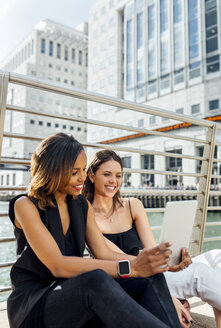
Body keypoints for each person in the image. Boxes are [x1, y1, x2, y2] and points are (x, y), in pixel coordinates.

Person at [7, 133, 182, 328]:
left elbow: (104, 253)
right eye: (74, 172)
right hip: (33, 305)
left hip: (74, 296)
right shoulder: (25, 205)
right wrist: (131, 268)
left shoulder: (81, 205)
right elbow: (58, 265)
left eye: (83, 170)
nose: (83, 177)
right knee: (95, 279)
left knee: (150, 276)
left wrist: (154, 263)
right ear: (53, 171)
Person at [82, 149, 221, 328]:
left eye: (118, 175)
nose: (113, 181)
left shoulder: (133, 205)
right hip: (127, 276)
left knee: (218, 257)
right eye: (107, 174)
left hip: (153, 270)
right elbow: (107, 254)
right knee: (199, 274)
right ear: (92, 176)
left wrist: (174, 257)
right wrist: (169, 295)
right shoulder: (86, 213)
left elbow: (151, 248)